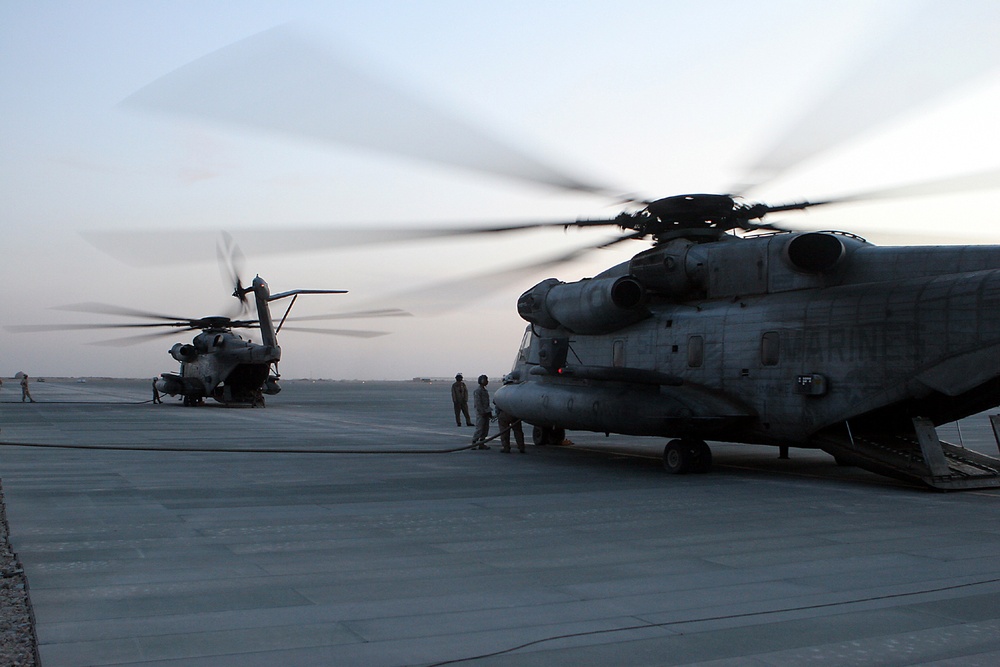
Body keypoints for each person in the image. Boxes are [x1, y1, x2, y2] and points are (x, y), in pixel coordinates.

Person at [471, 374, 491, 449]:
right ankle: (474, 442)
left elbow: (487, 403)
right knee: (479, 428)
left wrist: (489, 412)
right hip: (481, 413)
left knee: (485, 429)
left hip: (486, 412)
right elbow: (478, 403)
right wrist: (482, 412)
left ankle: (482, 443)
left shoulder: (484, 391)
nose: (487, 381)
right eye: (485, 380)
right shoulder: (478, 391)